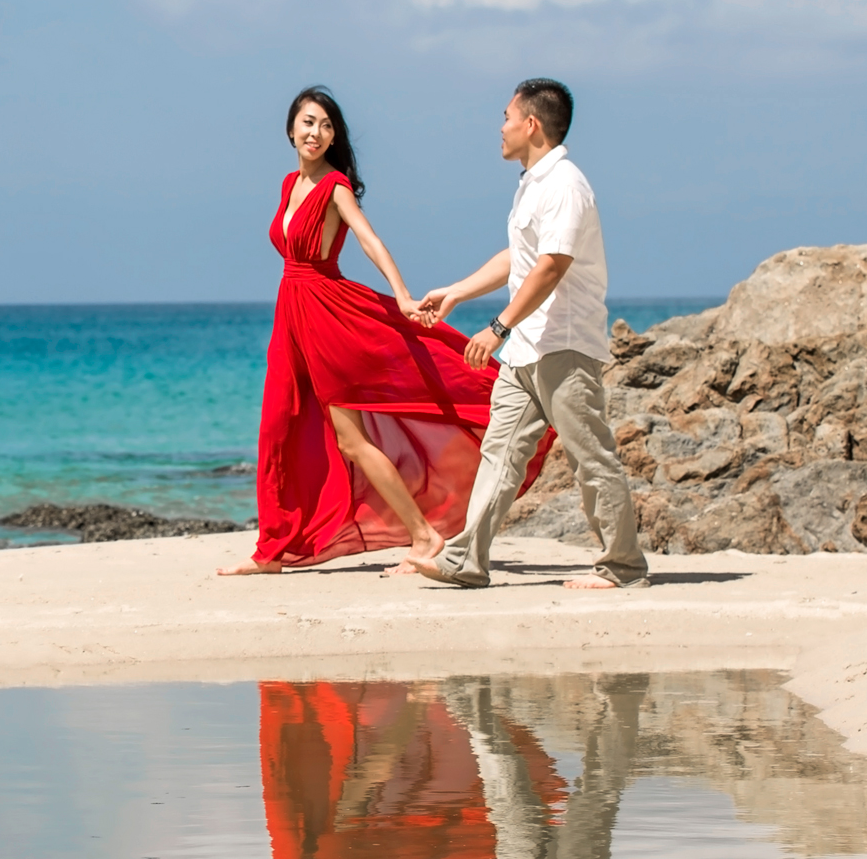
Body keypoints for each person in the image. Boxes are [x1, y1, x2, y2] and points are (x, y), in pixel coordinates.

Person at [221, 87, 536, 575]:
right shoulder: (289, 184)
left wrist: (404, 295)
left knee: (350, 439)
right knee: (280, 426)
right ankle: (275, 548)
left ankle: (424, 534)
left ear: (333, 138)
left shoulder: (335, 186)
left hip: (327, 315)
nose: (315, 133)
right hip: (291, 318)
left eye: (325, 126)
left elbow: (369, 240)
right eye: (308, 123)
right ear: (290, 130)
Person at [399, 78, 648, 591]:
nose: (501, 126)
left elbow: (552, 267)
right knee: (500, 452)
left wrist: (496, 327)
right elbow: (520, 259)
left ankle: (622, 566)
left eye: (507, 116)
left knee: (590, 456)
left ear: (531, 124)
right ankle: (466, 559)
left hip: (565, 345)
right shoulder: (533, 184)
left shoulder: (566, 185)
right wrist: (456, 293)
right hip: (527, 348)